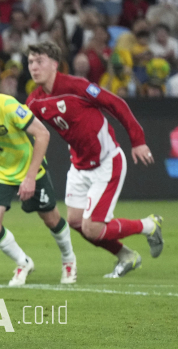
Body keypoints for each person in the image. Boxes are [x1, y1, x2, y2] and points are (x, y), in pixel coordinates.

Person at [25, 42, 164, 278]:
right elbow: (22, 127)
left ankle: (149, 225)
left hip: (107, 163)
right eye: (30, 62)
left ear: (55, 64)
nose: (33, 67)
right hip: (79, 167)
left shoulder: (76, 86)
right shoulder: (34, 102)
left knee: (93, 228)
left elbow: (116, 104)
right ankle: (127, 256)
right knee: (76, 222)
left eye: (39, 61)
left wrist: (138, 140)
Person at [0, 69, 77, 285]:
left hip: (30, 169)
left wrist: (29, 178)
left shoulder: (6, 106)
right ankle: (23, 262)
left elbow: (42, 134)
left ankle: (68, 259)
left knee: (51, 219)